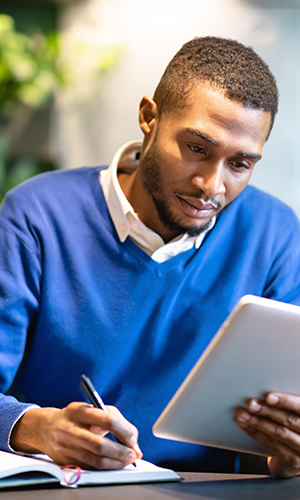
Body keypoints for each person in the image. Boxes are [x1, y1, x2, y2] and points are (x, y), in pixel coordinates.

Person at [1, 36, 300, 478]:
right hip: (66, 485)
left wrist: (286, 454)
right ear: (149, 118)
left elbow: (261, 436)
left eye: (240, 164)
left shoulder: (274, 233)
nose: (211, 185)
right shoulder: (37, 216)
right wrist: (37, 428)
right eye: (197, 148)